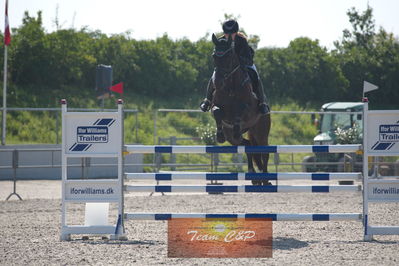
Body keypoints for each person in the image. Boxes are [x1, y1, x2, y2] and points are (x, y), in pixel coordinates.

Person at [200, 19, 270, 114]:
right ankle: (207, 100)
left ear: (236, 32)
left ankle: (262, 103)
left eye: (232, 33)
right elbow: (217, 54)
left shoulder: (241, 40)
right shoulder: (220, 40)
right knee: (213, 77)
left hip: (245, 64)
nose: (229, 35)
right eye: (227, 33)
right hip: (225, 67)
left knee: (255, 76)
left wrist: (239, 62)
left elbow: (248, 57)